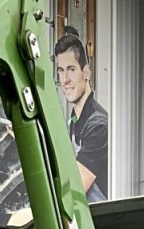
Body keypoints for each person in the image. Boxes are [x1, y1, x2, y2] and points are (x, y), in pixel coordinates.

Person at [54, 27, 108, 201]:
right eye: (61, 71)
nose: (65, 80)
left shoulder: (98, 125)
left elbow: (75, 190)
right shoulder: (74, 120)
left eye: (71, 69)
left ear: (86, 72)